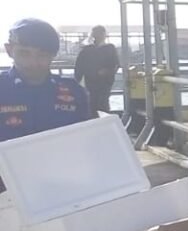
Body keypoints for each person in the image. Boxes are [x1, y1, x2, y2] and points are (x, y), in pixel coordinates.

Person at [1, 19, 91, 156]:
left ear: (53, 55)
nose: (33, 63)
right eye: (24, 53)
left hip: (63, 166)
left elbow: (87, 141)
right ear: (9, 50)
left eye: (42, 55)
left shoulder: (74, 92)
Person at [73, 25, 120, 116]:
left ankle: (101, 120)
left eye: (100, 34)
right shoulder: (87, 50)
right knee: (92, 103)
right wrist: (77, 80)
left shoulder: (109, 48)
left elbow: (115, 64)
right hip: (91, 81)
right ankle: (95, 119)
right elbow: (79, 66)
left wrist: (107, 72)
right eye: (96, 34)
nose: (97, 36)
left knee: (102, 103)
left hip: (104, 82)